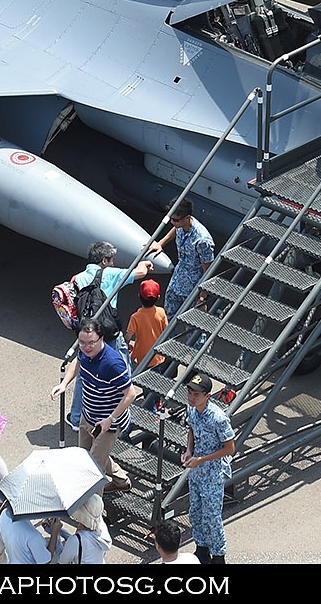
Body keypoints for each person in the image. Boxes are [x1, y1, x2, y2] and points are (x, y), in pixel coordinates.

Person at [51, 318, 136, 491]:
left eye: (91, 343)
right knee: (86, 457)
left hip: (108, 423)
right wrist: (64, 383)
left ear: (101, 339)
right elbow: (78, 362)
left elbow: (130, 394)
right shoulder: (85, 352)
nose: (86, 347)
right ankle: (122, 481)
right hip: (88, 415)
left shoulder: (112, 363)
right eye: (82, 342)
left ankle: (93, 514)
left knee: (93, 470)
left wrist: (110, 419)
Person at [181, 372, 234, 564]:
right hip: (197, 471)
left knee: (212, 517)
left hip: (212, 473)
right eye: (190, 392)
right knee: (195, 512)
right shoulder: (192, 411)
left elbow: (229, 448)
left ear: (207, 396)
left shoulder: (218, 418)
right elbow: (192, 429)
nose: (191, 397)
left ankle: (218, 556)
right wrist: (188, 450)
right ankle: (202, 549)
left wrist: (201, 459)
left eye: (196, 394)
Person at [150, 201, 214, 319]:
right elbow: (176, 229)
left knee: (192, 325)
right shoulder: (181, 224)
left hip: (193, 288)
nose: (172, 222)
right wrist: (161, 243)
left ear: (187, 218)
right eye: (171, 219)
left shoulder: (202, 240)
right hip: (177, 280)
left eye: (175, 220)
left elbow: (208, 270)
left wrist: (202, 297)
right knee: (168, 317)